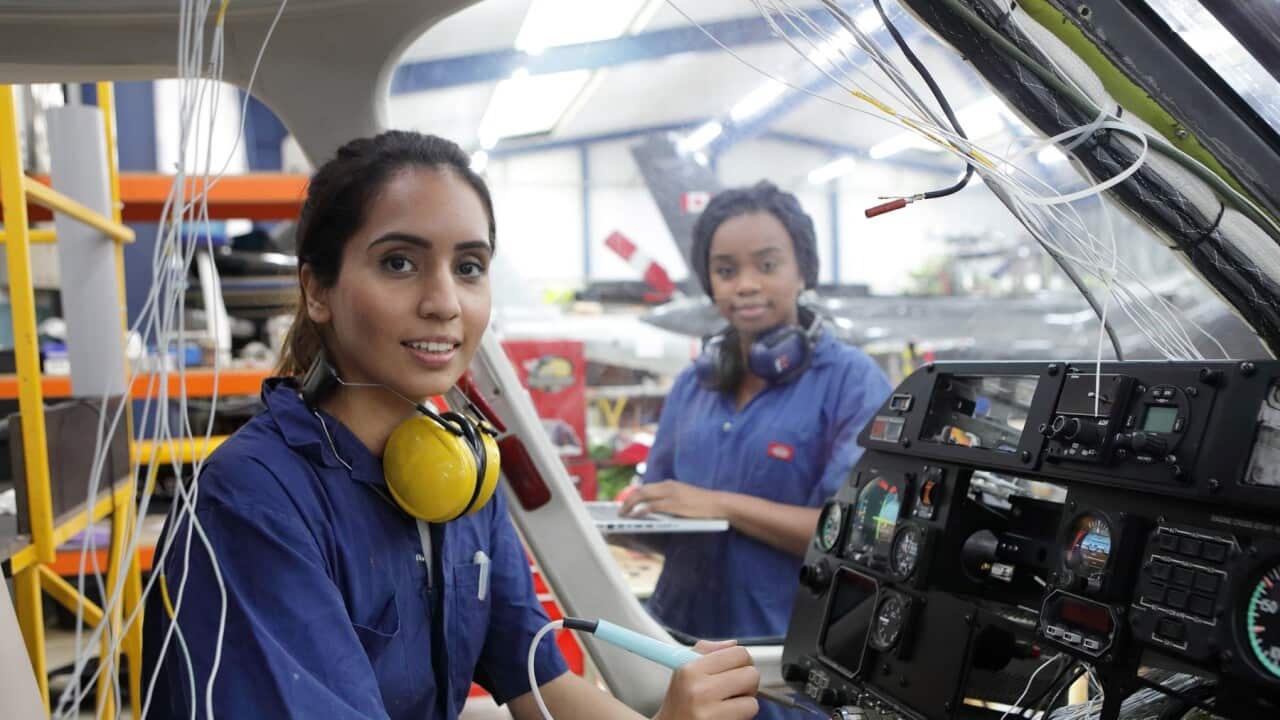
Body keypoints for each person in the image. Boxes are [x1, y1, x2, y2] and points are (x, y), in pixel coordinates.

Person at [141, 131, 760, 719]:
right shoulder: (252, 502)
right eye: (400, 263)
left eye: (468, 267)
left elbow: (541, 684)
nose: (445, 303)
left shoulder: (460, 478)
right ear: (317, 290)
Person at [620, 180, 893, 647]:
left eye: (767, 266)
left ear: (803, 270)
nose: (745, 284)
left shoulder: (851, 381)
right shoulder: (692, 384)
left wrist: (721, 505)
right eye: (726, 270)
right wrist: (625, 520)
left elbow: (857, 534)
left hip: (782, 659)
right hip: (680, 641)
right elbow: (664, 510)